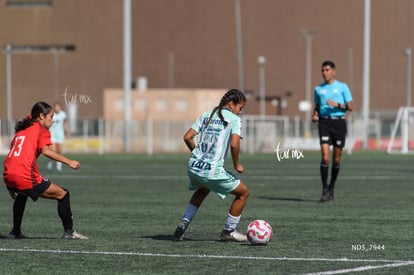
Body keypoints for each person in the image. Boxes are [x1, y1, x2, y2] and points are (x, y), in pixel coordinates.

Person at [3, 101, 88, 240]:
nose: (53, 120)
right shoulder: (41, 130)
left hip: (9, 174)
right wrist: (69, 162)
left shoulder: (22, 131)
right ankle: (69, 232)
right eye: (51, 116)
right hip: (25, 174)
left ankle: (15, 232)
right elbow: (46, 152)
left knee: (23, 194)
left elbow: (12, 156)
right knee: (63, 194)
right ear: (41, 116)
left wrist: (9, 185)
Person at [173, 89, 250, 242]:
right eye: (240, 108)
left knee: (203, 189)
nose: (240, 112)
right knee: (243, 193)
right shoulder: (233, 119)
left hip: (194, 166)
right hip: (211, 171)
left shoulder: (207, 114)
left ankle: (183, 223)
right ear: (231, 104)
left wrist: (198, 155)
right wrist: (237, 164)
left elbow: (187, 137)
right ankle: (228, 231)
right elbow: (235, 145)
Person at [312, 61, 353, 202]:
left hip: (339, 123)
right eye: (323, 70)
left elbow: (350, 106)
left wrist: (336, 105)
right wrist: (315, 114)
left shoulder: (342, 87)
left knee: (336, 158)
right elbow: (317, 105)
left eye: (327, 70)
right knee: (325, 157)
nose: (325, 73)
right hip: (324, 123)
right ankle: (324, 189)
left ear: (334, 71)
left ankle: (331, 188)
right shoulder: (318, 89)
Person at [47, 102, 70, 171]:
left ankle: (59, 165)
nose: (57, 108)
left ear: (60, 107)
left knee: (59, 151)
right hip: (52, 135)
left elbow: (65, 124)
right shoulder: (51, 114)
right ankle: (50, 161)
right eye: (56, 107)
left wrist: (67, 133)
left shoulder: (63, 114)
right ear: (54, 108)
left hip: (60, 135)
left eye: (58, 107)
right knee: (53, 150)